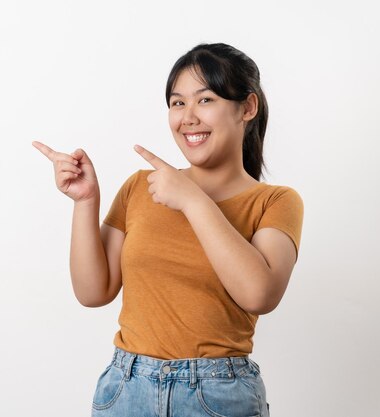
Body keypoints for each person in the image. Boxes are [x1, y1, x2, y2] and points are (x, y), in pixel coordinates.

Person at [32, 43, 304, 417]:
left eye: (205, 100)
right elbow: (93, 292)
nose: (188, 117)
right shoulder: (141, 187)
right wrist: (85, 202)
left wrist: (194, 201)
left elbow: (260, 295)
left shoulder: (275, 201)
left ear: (247, 107)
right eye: (178, 103)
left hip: (217, 395)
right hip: (126, 389)